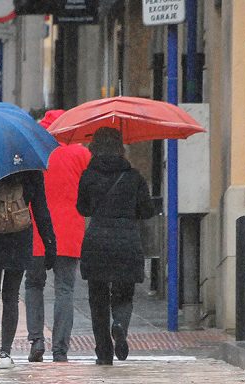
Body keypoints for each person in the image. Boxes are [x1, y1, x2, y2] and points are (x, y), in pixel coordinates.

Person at [76, 127, 155, 365]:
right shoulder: (134, 177)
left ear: (94, 148)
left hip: (97, 240)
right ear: (121, 148)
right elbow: (147, 211)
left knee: (97, 297)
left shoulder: (88, 176)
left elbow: (82, 208)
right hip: (127, 241)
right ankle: (119, 324)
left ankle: (103, 353)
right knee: (124, 293)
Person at [0, 171, 56, 369]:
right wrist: (50, 243)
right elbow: (41, 209)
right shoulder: (31, 170)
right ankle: (5, 352)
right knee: (11, 296)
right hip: (19, 238)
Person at [24, 110, 92, 363]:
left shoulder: (33, 151)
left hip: (36, 231)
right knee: (64, 289)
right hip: (69, 231)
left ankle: (36, 341)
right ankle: (60, 349)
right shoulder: (80, 153)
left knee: (33, 285)